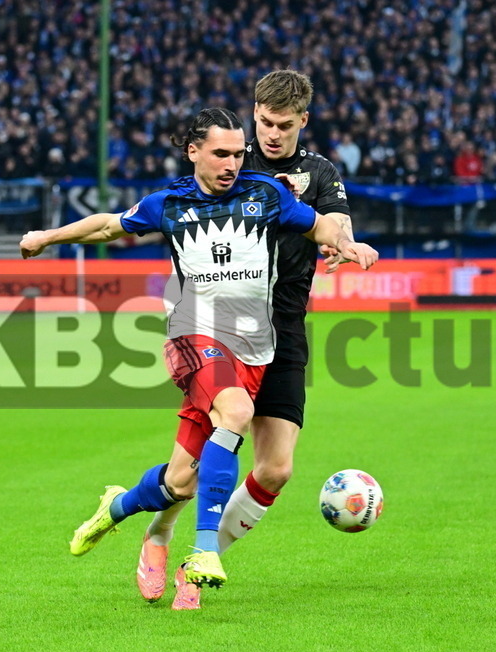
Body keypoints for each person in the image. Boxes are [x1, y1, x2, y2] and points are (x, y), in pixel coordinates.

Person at [18, 107, 377, 600]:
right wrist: (46, 237)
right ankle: (204, 550)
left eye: (237, 154)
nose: (232, 163)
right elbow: (108, 227)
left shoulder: (265, 195)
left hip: (256, 345)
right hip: (193, 336)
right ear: (194, 152)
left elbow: (317, 226)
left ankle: (117, 507)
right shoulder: (169, 204)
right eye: (221, 154)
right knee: (236, 412)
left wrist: (348, 244)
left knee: (181, 482)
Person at [137, 70, 357, 610]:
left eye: (284, 124)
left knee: (276, 468)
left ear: (303, 121)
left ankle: (202, 558)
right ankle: (163, 535)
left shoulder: (320, 172)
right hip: (217, 326)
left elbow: (336, 223)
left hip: (283, 328)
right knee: (190, 467)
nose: (271, 134)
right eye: (264, 122)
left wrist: (344, 245)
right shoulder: (232, 159)